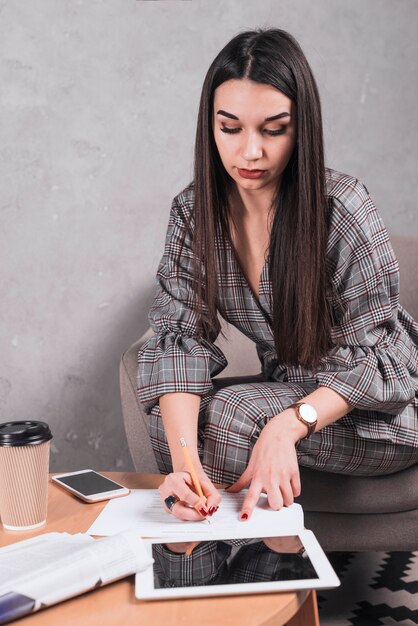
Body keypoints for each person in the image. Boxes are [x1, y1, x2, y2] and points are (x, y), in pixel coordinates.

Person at [137, 27, 418, 526]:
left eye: (273, 129)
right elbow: (177, 342)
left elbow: (382, 362)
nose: (250, 153)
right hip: (288, 389)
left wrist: (287, 426)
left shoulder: (343, 209)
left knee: (235, 413)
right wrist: (184, 466)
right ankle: (201, 525)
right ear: (210, 126)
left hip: (383, 411)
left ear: (300, 128)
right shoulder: (193, 213)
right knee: (176, 417)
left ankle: (240, 572)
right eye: (231, 128)